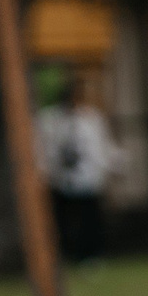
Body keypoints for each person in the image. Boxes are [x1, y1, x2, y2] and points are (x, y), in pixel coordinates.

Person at [36, 70, 120, 264]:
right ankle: (66, 253)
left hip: (87, 178)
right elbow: (43, 148)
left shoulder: (90, 119)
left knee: (89, 218)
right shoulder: (49, 119)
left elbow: (101, 147)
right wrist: (43, 172)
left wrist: (111, 165)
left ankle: (91, 253)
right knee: (62, 220)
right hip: (59, 178)